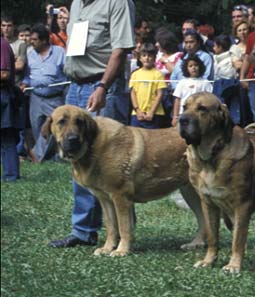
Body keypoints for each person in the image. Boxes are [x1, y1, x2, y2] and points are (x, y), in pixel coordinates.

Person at [49, 0, 136, 248]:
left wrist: (102, 87)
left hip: (102, 86)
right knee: (79, 161)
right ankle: (84, 231)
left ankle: (122, 234)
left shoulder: (117, 3)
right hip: (76, 86)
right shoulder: (77, 3)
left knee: (113, 164)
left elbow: (120, 50)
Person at [19, 24, 66, 160]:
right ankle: (48, 158)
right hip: (36, 97)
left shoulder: (59, 52)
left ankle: (37, 155)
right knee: (37, 129)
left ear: (44, 40)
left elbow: (67, 72)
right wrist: (25, 83)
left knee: (54, 127)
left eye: (34, 39)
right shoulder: (30, 53)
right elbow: (27, 75)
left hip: (54, 97)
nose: (31, 42)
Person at [1, 36, 24, 182]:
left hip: (2, 94)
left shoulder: (2, 45)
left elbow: (4, 73)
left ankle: (11, 175)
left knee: (7, 137)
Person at [129, 43, 168, 129]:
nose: (147, 58)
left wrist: (151, 112)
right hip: (137, 114)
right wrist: (137, 110)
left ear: (154, 58)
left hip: (155, 113)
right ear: (140, 57)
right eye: (144, 55)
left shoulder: (158, 74)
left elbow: (160, 94)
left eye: (150, 56)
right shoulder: (135, 74)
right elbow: (133, 93)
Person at [171, 55, 212, 126]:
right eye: (190, 66)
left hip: (199, 116)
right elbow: (177, 100)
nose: (193, 68)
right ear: (186, 69)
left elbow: (209, 100)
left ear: (200, 67)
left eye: (196, 65)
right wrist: (175, 117)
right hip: (183, 114)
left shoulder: (206, 82)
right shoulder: (182, 82)